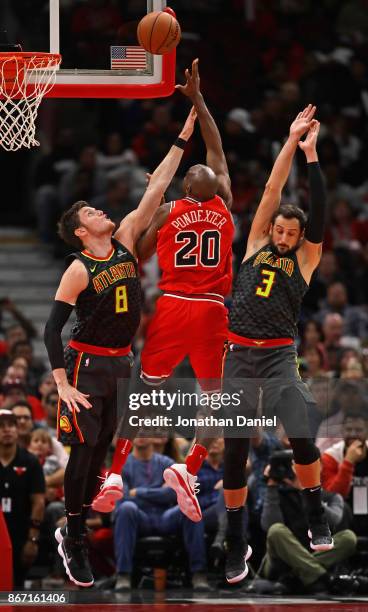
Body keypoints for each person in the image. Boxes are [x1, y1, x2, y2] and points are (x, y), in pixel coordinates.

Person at [43, 108, 197, 588]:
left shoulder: (127, 239)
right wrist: (63, 385)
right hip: (86, 364)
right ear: (81, 232)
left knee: (104, 449)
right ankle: (73, 534)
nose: (101, 212)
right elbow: (52, 330)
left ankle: (76, 529)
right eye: (91, 212)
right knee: (82, 455)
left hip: (122, 363)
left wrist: (183, 134)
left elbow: (156, 190)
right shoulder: (78, 268)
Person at [95, 59, 234, 521]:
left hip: (173, 306)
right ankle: (189, 468)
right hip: (213, 309)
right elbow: (216, 147)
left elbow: (145, 253)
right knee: (216, 399)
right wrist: (198, 100)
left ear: (184, 187)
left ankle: (114, 473)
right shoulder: (227, 204)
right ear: (216, 187)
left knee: (145, 393)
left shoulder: (169, 211)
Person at [222, 105, 334, 584]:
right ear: (270, 231)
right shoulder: (254, 245)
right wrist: (289, 141)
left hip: (278, 355)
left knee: (301, 433)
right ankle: (235, 540)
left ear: (301, 237)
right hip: (239, 353)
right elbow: (271, 190)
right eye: (280, 230)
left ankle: (315, 513)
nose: (285, 236)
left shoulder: (307, 258)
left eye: (292, 232)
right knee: (233, 449)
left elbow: (322, 212)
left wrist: (312, 157)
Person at [113, 438, 209, 592]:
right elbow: (123, 498)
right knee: (126, 508)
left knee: (190, 508)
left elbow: (173, 494)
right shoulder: (123, 464)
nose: (142, 435)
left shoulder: (167, 462)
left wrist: (139, 491)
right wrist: (160, 491)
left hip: (166, 516)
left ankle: (199, 573)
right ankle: (123, 574)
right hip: (138, 517)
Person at [261, 450, 357, 594]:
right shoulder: (277, 495)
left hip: (313, 554)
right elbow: (269, 526)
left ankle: (296, 577)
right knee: (276, 530)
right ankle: (324, 578)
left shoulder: (332, 497)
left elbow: (333, 520)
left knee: (349, 538)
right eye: (297, 465)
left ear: (320, 467)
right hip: (281, 563)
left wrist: (307, 490)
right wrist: (271, 485)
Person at [0, 409, 45, 587]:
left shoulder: (30, 462)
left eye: (11, 425)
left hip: (20, 530)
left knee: (16, 586)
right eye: (1, 426)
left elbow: (39, 502)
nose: (7, 430)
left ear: (18, 430)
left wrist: (32, 539)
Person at [321, 412, 368, 536]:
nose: (353, 434)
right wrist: (348, 462)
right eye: (349, 429)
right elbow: (333, 497)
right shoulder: (330, 456)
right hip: (344, 520)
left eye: (358, 430)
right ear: (342, 431)